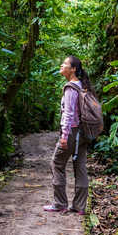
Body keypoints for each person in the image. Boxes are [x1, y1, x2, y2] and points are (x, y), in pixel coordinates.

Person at [43, 55, 91, 215]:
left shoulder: (71, 88)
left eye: (65, 64)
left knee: (57, 163)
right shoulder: (82, 85)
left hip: (72, 132)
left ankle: (60, 203)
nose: (61, 65)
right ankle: (79, 206)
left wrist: (64, 136)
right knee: (80, 167)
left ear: (73, 69)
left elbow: (69, 114)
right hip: (83, 133)